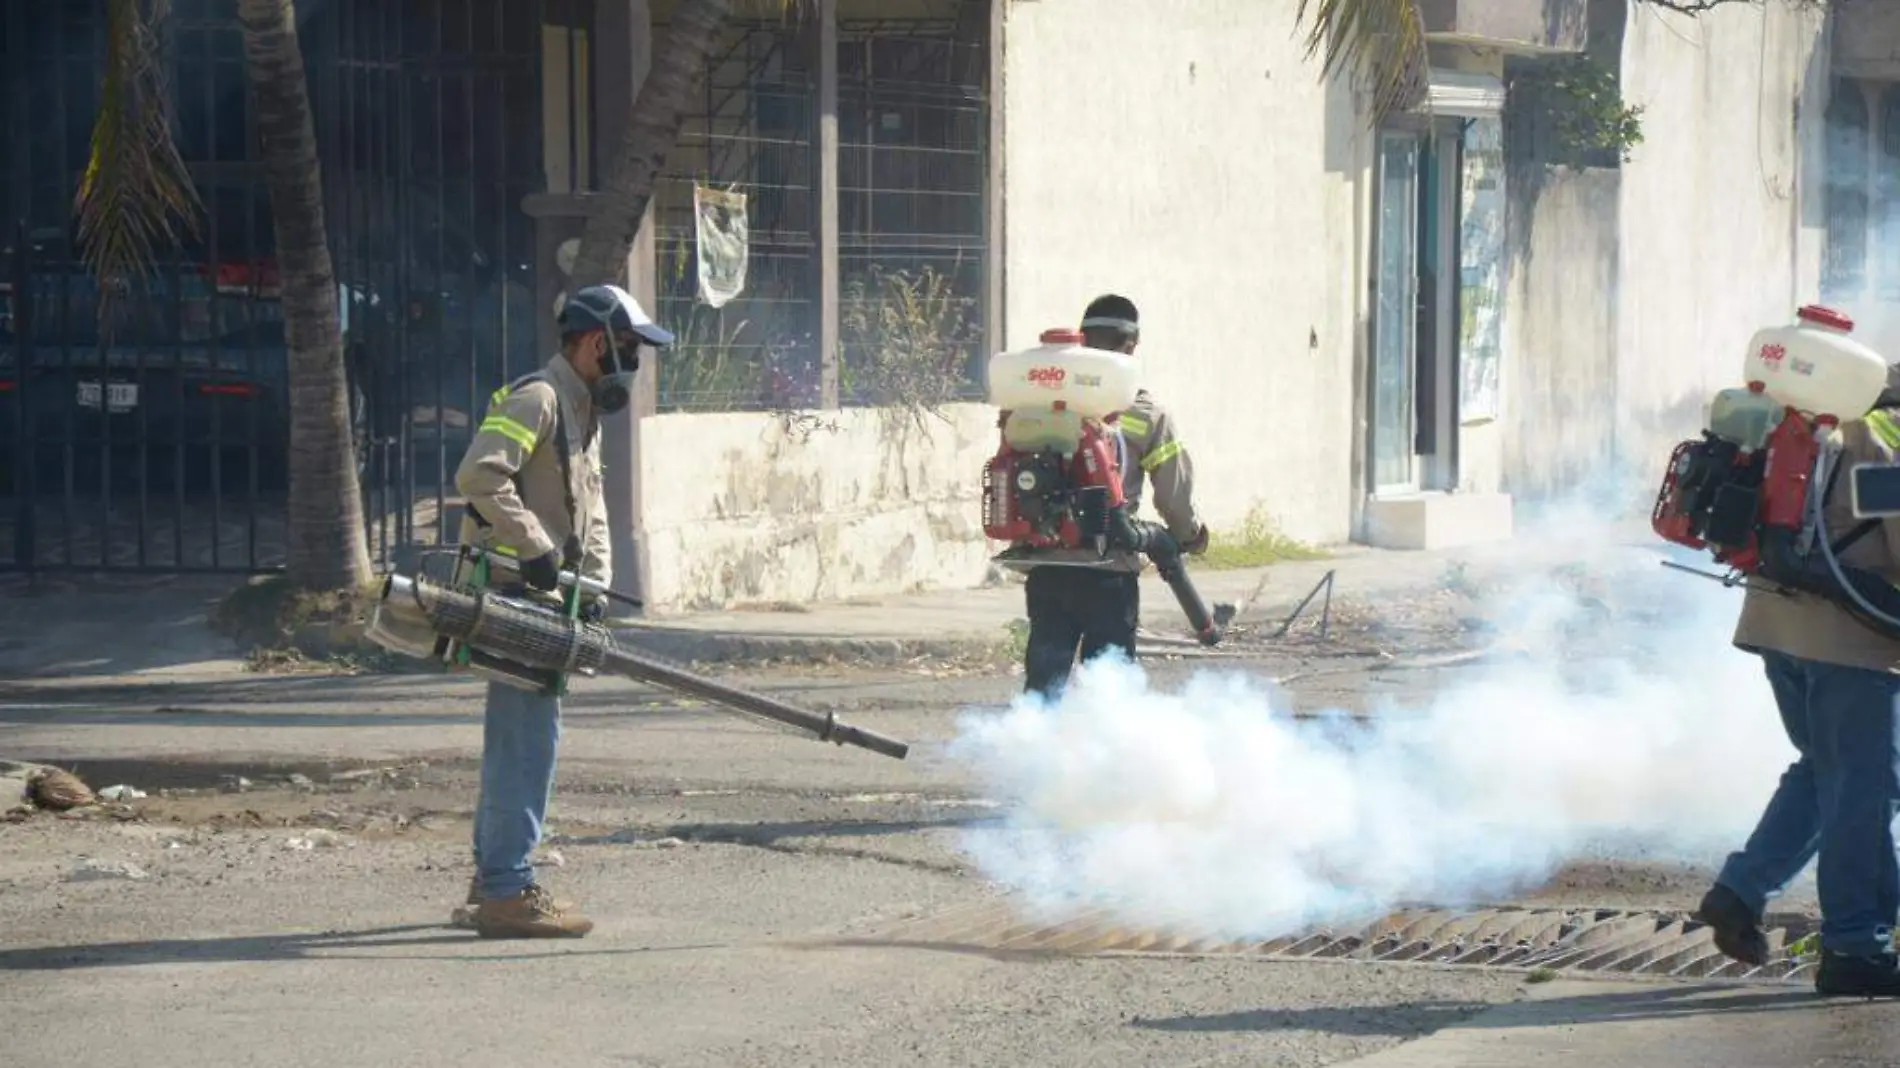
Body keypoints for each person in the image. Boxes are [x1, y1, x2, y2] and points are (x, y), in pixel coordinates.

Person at [447, 283, 673, 938]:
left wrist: (593, 593)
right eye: (628, 350)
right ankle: (506, 889)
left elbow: (588, 512)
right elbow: (478, 476)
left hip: (550, 600)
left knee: (520, 739)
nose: (632, 365)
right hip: (520, 593)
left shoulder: (581, 411)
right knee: (526, 740)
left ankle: (495, 879)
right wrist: (537, 547)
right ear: (597, 342)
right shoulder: (538, 398)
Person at [1695, 375, 1900, 997]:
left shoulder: (1817, 417)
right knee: (1864, 792)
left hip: (1774, 625)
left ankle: (1739, 892)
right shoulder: (1885, 443)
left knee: (1824, 770)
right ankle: (1855, 950)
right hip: (1848, 644)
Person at [1018, 294, 1209, 698]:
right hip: (1109, 571)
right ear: (1131, 346)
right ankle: (1102, 761)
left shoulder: (1044, 404)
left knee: (1043, 689)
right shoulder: (1146, 415)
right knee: (1109, 696)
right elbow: (1174, 498)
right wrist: (1188, 536)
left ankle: (1033, 757)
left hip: (1048, 567)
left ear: (1082, 342)